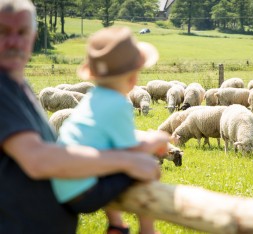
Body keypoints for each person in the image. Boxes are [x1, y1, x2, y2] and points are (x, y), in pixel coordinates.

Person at [0, 1, 168, 233]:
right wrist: (128, 160)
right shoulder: (2, 89)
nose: (14, 42)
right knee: (147, 169)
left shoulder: (17, 85)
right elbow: (36, 160)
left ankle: (117, 224)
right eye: (3, 31)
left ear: (33, 36)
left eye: (22, 32)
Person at [51, 26, 165, 234]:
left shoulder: (92, 98)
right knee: (149, 167)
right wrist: (156, 141)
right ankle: (148, 229)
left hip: (62, 187)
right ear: (132, 77)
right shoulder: (119, 104)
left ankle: (116, 225)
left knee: (112, 162)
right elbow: (133, 153)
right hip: (85, 192)